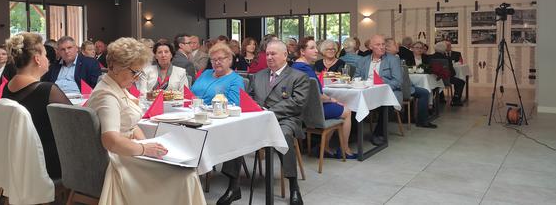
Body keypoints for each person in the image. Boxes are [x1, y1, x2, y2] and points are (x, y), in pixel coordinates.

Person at [87, 38, 206, 204]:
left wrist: (148, 145)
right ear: (114, 67)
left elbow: (130, 124)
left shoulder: (117, 87)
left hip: (127, 151)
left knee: (184, 169)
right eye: (134, 72)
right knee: (185, 175)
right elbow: (111, 141)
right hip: (118, 159)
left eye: (139, 73)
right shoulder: (107, 96)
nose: (136, 78)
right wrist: (144, 149)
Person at [218, 40, 307, 205]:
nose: (269, 57)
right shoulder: (259, 75)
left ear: (285, 55)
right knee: (234, 133)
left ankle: (294, 187)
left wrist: (268, 111)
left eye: (273, 54)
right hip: (258, 119)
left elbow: (297, 103)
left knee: (285, 136)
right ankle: (233, 187)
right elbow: (249, 97)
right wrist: (255, 107)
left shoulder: (298, 77)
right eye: (267, 54)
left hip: (285, 119)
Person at [2, 32, 71, 179]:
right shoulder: (48, 90)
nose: (48, 59)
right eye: (45, 55)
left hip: (16, 158)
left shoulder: (7, 87)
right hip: (44, 162)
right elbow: (76, 125)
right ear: (37, 59)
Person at [292, 37, 355, 159]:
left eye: (316, 47)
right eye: (312, 48)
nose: (316, 51)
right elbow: (318, 96)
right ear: (302, 51)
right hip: (313, 111)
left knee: (337, 108)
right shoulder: (306, 70)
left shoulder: (294, 67)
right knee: (347, 111)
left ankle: (325, 147)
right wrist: (332, 100)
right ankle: (345, 149)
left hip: (301, 110)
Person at [353, 34, 403, 146]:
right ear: (371, 47)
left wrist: (383, 85)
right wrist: (362, 83)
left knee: (387, 105)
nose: (382, 47)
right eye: (378, 45)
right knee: (351, 103)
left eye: (383, 44)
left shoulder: (392, 60)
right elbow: (356, 78)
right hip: (367, 91)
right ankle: (353, 132)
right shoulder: (363, 61)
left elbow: (398, 81)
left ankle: (378, 133)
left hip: (387, 92)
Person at [385, 39, 436, 128]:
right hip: (397, 88)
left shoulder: (396, 57)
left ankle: (417, 118)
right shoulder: (388, 59)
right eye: (395, 44)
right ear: (388, 48)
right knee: (424, 92)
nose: (398, 45)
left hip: (403, 85)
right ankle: (422, 121)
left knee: (424, 91)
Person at [431, 41, 465, 106]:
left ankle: (441, 98)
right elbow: (451, 72)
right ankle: (456, 99)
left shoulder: (429, 57)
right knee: (461, 82)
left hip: (433, 79)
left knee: (438, 82)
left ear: (435, 48)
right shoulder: (447, 58)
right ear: (444, 49)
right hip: (445, 79)